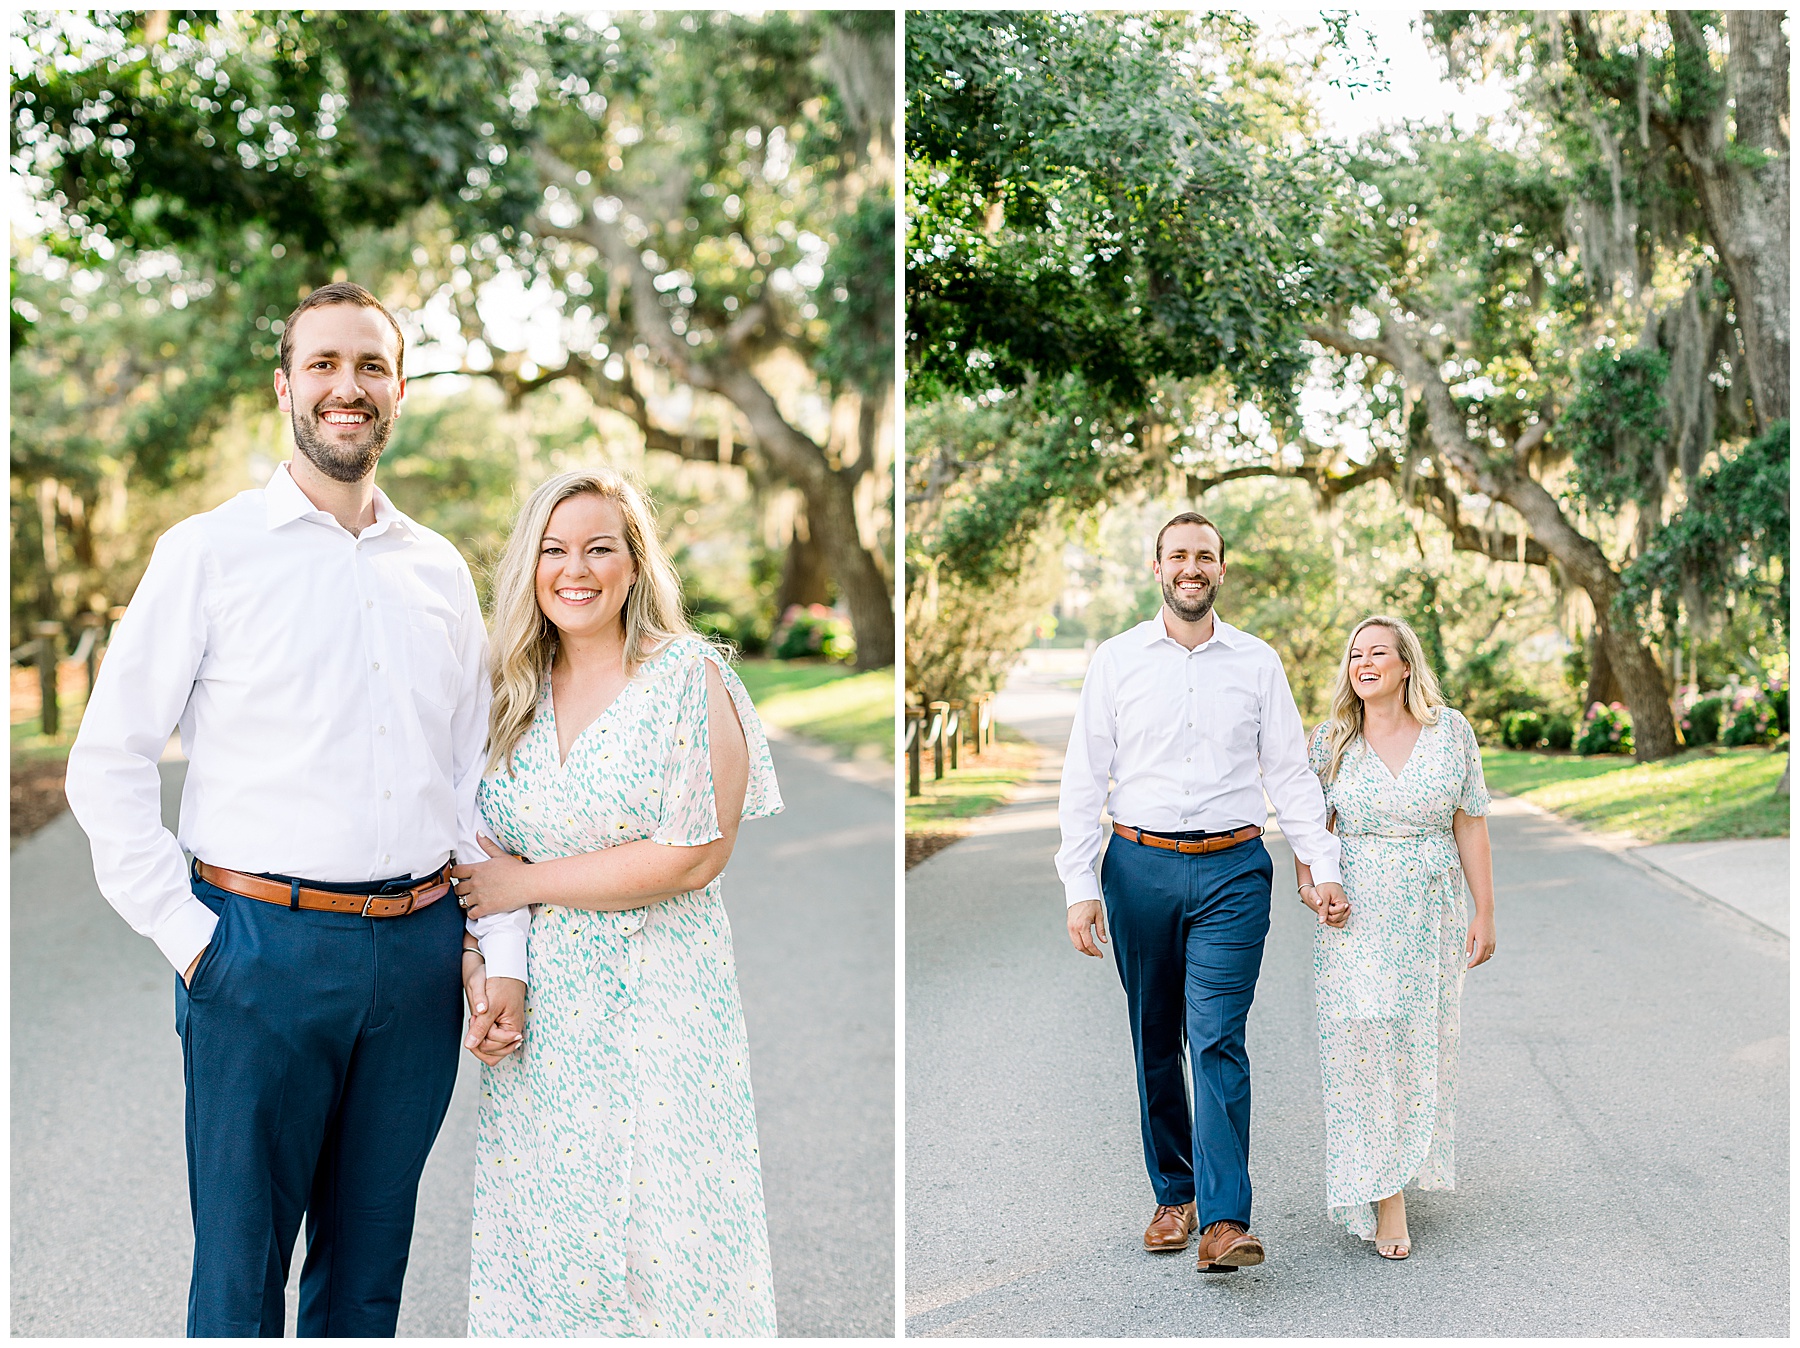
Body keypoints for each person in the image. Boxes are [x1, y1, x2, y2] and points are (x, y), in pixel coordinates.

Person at [64, 281, 530, 1337]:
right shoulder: (208, 552)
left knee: (366, 1282)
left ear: (398, 390)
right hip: (254, 953)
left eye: (369, 365)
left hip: (415, 961)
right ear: (286, 387)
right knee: (238, 1283)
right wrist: (194, 942)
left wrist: (498, 943)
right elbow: (109, 758)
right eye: (323, 364)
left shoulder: (438, 572)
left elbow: (469, 781)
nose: (346, 386)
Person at [449, 468, 783, 1336]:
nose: (577, 569)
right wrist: (484, 966)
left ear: (635, 564)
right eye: (555, 550)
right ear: (529, 567)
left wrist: (527, 883)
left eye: (601, 548)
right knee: (549, 1240)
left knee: (665, 1235)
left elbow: (693, 856)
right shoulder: (505, 696)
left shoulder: (688, 676)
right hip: (545, 1020)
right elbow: (479, 856)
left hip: (662, 1005)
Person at [1057, 512, 1349, 1272]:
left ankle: (1224, 1221)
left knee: (1217, 1036)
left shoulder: (1257, 662)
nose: (1192, 567)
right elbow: (1085, 778)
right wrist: (1079, 884)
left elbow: (1288, 773)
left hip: (1232, 870)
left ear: (1222, 569)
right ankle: (1174, 1194)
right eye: (1178, 555)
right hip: (1137, 867)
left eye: (1205, 557)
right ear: (1157, 567)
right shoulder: (1116, 661)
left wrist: (1323, 867)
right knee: (1156, 1037)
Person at [1295, 614, 1497, 1260]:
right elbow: (1308, 827)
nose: (1364, 662)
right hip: (1358, 912)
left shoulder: (1451, 734)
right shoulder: (1331, 741)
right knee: (1367, 1040)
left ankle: (1403, 1157)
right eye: (1356, 653)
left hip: (1431, 910)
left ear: (1405, 665)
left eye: (1378, 652)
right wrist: (1311, 886)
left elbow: (1471, 824)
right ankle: (1386, 1195)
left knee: (1417, 1039)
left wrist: (1484, 911)